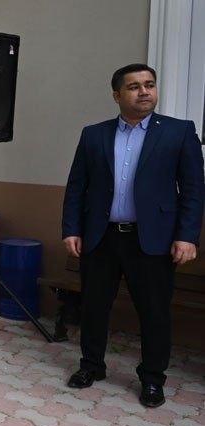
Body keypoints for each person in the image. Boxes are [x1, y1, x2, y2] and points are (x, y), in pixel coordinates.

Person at [62, 63, 204, 408]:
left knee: (154, 313)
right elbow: (77, 186)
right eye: (134, 86)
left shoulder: (178, 132)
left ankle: (152, 379)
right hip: (101, 237)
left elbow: (193, 190)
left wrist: (187, 236)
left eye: (149, 85)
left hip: (152, 240)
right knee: (94, 307)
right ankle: (91, 366)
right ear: (117, 95)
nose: (144, 92)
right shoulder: (94, 134)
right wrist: (71, 229)